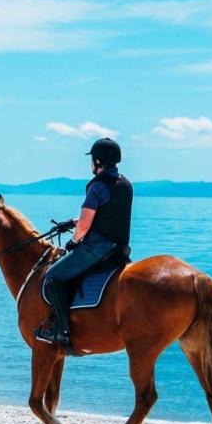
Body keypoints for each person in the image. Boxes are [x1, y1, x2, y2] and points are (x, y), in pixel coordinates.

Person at [36, 137, 133, 346]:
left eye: (93, 159)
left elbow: (85, 226)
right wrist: (71, 222)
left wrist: (73, 241)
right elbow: (104, 215)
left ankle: (61, 331)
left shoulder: (97, 186)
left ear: (98, 161)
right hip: (120, 249)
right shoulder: (125, 184)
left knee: (52, 276)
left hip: (98, 248)